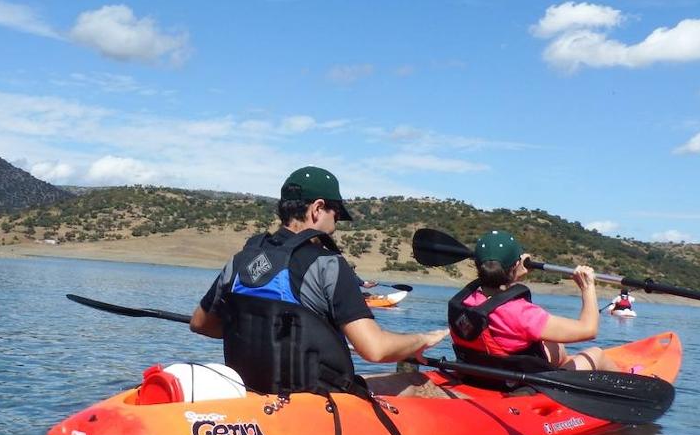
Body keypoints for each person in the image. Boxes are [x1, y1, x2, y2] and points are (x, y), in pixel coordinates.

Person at [189, 165, 449, 396]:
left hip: (252, 393)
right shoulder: (329, 265)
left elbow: (201, 324)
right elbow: (375, 349)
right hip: (319, 405)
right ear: (317, 208)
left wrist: (262, 335)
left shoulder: (240, 260)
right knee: (419, 384)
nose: (336, 223)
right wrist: (422, 340)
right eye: (335, 214)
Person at [447, 229, 620, 374]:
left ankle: (566, 362)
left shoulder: (464, 303)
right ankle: (636, 386)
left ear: (477, 265)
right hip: (520, 382)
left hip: (483, 372)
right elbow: (589, 330)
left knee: (551, 341)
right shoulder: (521, 313)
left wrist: (512, 276)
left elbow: (496, 294)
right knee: (596, 354)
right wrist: (587, 287)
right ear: (516, 265)